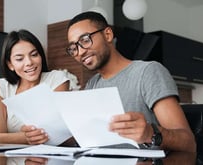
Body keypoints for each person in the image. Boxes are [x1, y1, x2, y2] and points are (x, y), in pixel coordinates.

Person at [66, 11, 196, 152]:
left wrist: (150, 133)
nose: (79, 52)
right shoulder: (92, 84)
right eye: (73, 48)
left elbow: (188, 142)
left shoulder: (148, 72)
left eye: (85, 40)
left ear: (108, 35)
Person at [0, 29, 70, 145]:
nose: (29, 62)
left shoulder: (57, 79)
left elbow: (49, 134)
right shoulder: (3, 86)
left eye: (34, 55)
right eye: (19, 59)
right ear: (10, 64)